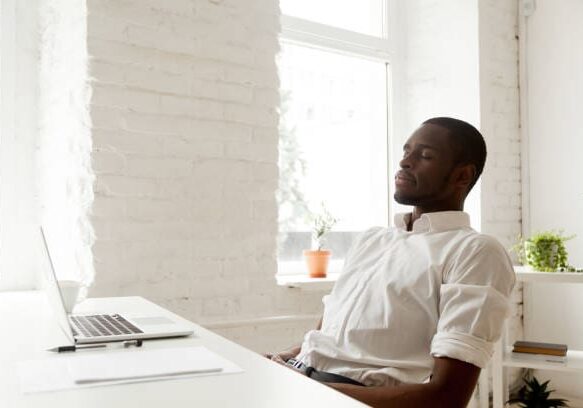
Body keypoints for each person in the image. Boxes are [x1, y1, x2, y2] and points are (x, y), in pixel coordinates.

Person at [266, 117, 515, 407]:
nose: (405, 162)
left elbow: (447, 397)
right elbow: (327, 338)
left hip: (338, 396)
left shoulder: (475, 251)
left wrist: (308, 389)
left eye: (425, 155)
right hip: (298, 380)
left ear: (462, 176)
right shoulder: (372, 239)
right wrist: (281, 361)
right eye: (406, 151)